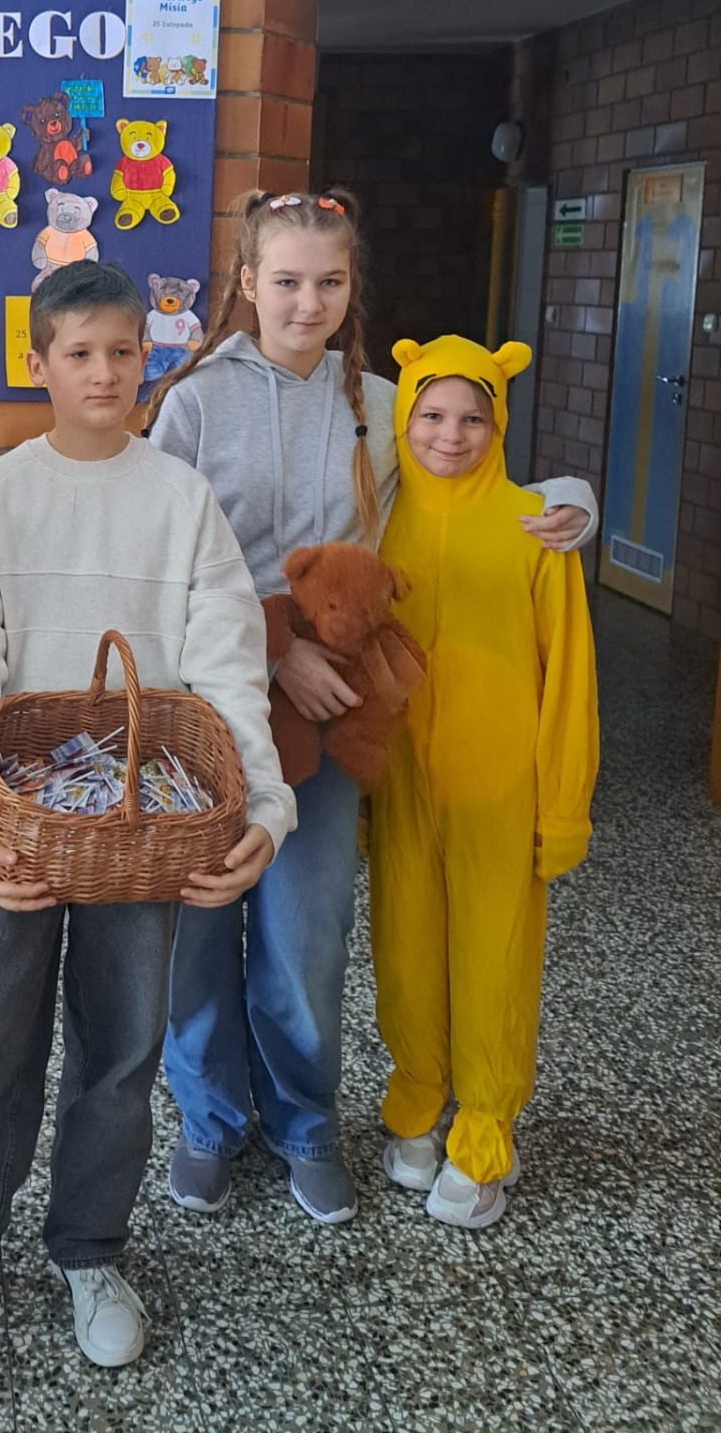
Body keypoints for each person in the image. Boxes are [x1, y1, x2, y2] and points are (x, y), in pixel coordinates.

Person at [0, 261, 294, 1371]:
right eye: (78, 353)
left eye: (122, 352)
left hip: (147, 830)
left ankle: (90, 1249)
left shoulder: (180, 500)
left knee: (122, 1051)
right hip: (13, 827)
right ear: (37, 363)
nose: (103, 373)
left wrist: (266, 805)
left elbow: (229, 664)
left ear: (148, 359)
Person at [147, 189, 597, 1226]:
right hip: (208, 709)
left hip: (332, 721)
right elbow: (157, 555)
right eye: (286, 281)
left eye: (330, 282)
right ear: (248, 283)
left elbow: (471, 466)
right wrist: (276, 651)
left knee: (306, 938)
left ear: (353, 290)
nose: (307, 303)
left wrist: (574, 499)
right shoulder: (195, 403)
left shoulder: (385, 406)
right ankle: (211, 1120)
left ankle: (305, 1124)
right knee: (199, 934)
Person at [370, 335, 598, 1228]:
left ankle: (485, 1135)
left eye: (473, 417)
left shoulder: (536, 527)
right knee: (406, 951)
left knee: (494, 959)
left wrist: (563, 808)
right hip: (401, 786)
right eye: (430, 413)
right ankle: (418, 1102)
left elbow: (570, 678)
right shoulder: (377, 521)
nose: (450, 434)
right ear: (403, 415)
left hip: (502, 790)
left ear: (499, 424)